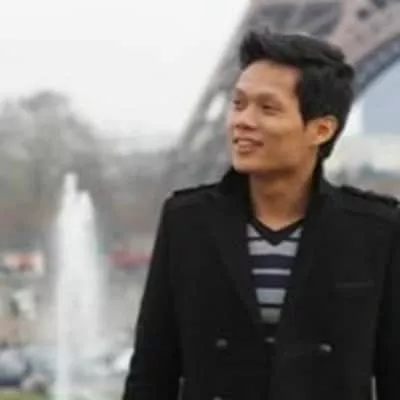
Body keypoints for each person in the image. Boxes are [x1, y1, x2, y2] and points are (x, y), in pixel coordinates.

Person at [122, 27, 400, 400]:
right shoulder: (186, 222)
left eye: (267, 108)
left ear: (320, 129)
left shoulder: (377, 231)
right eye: (238, 104)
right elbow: (152, 371)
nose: (242, 121)